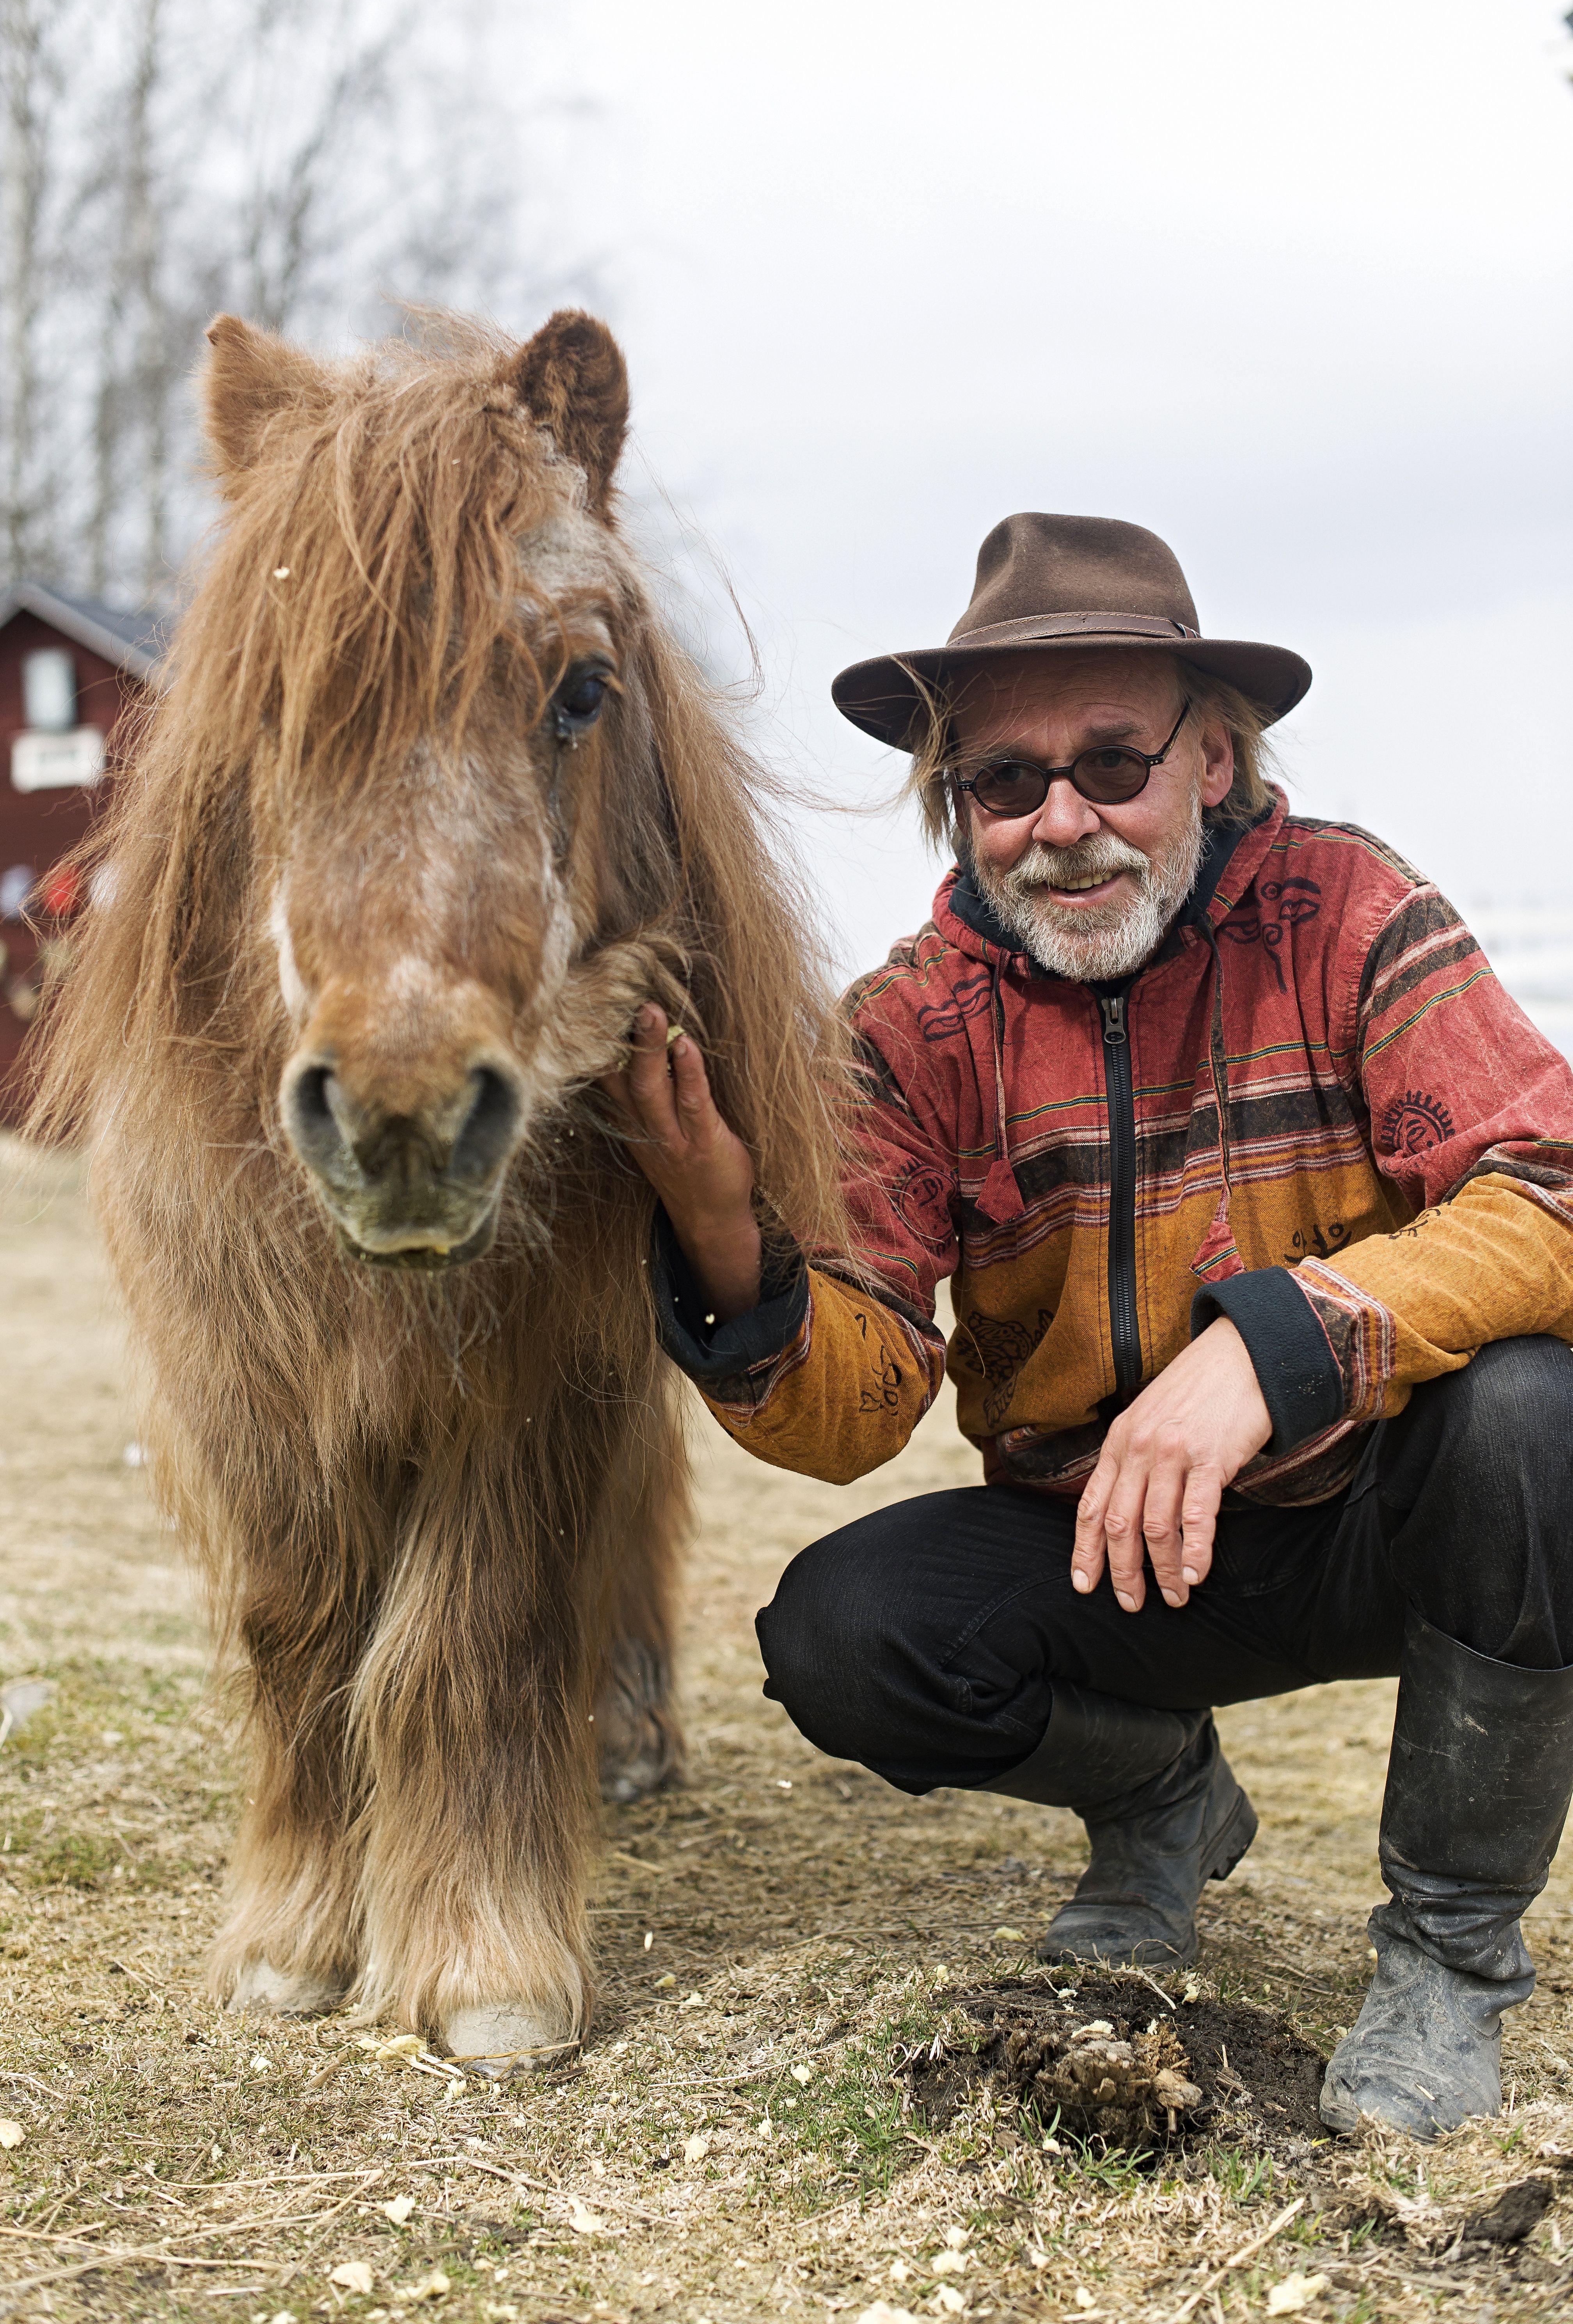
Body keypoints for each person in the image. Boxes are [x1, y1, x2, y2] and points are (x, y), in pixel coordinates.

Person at [600, 513, 1573, 2141]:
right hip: (1114, 1562)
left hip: (1377, 1519)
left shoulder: (1346, 910)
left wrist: (1269, 1350)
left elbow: (1548, 1185)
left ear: (1213, 757)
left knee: (1539, 1415)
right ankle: (1163, 1800)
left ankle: (1452, 1957)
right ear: (957, 804)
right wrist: (721, 1232)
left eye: (1114, 764)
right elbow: (849, 1411)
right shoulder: (910, 1027)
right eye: (1005, 783)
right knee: (839, 1632)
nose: (1064, 824)